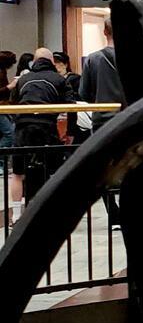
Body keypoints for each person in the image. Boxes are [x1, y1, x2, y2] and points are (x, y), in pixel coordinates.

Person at [79, 19, 125, 226]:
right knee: (129, 164)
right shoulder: (136, 59)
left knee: (103, 168)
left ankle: (113, 214)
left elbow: (84, 93)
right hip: (129, 119)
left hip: (102, 121)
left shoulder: (92, 59)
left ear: (104, 31)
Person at [10, 48, 68, 206]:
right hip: (47, 126)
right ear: (51, 62)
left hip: (23, 126)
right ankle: (54, 207)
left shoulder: (23, 79)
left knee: (17, 172)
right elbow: (71, 105)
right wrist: (70, 132)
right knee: (55, 170)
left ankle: (16, 214)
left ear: (34, 62)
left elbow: (13, 102)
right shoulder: (59, 79)